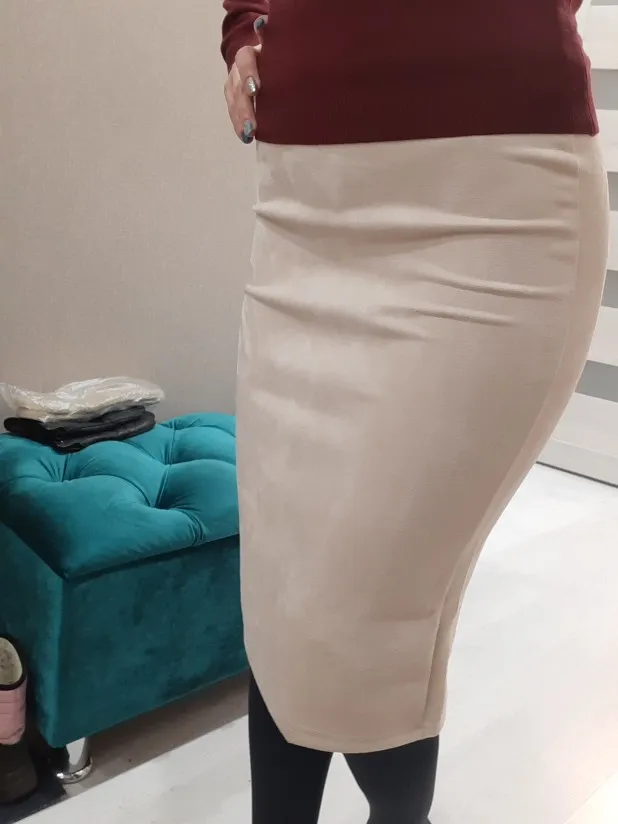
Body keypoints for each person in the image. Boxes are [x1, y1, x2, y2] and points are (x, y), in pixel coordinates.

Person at [221, 2, 609, 822]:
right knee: (284, 595)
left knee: (362, 617)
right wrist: (243, 27)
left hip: (490, 196)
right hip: (301, 201)